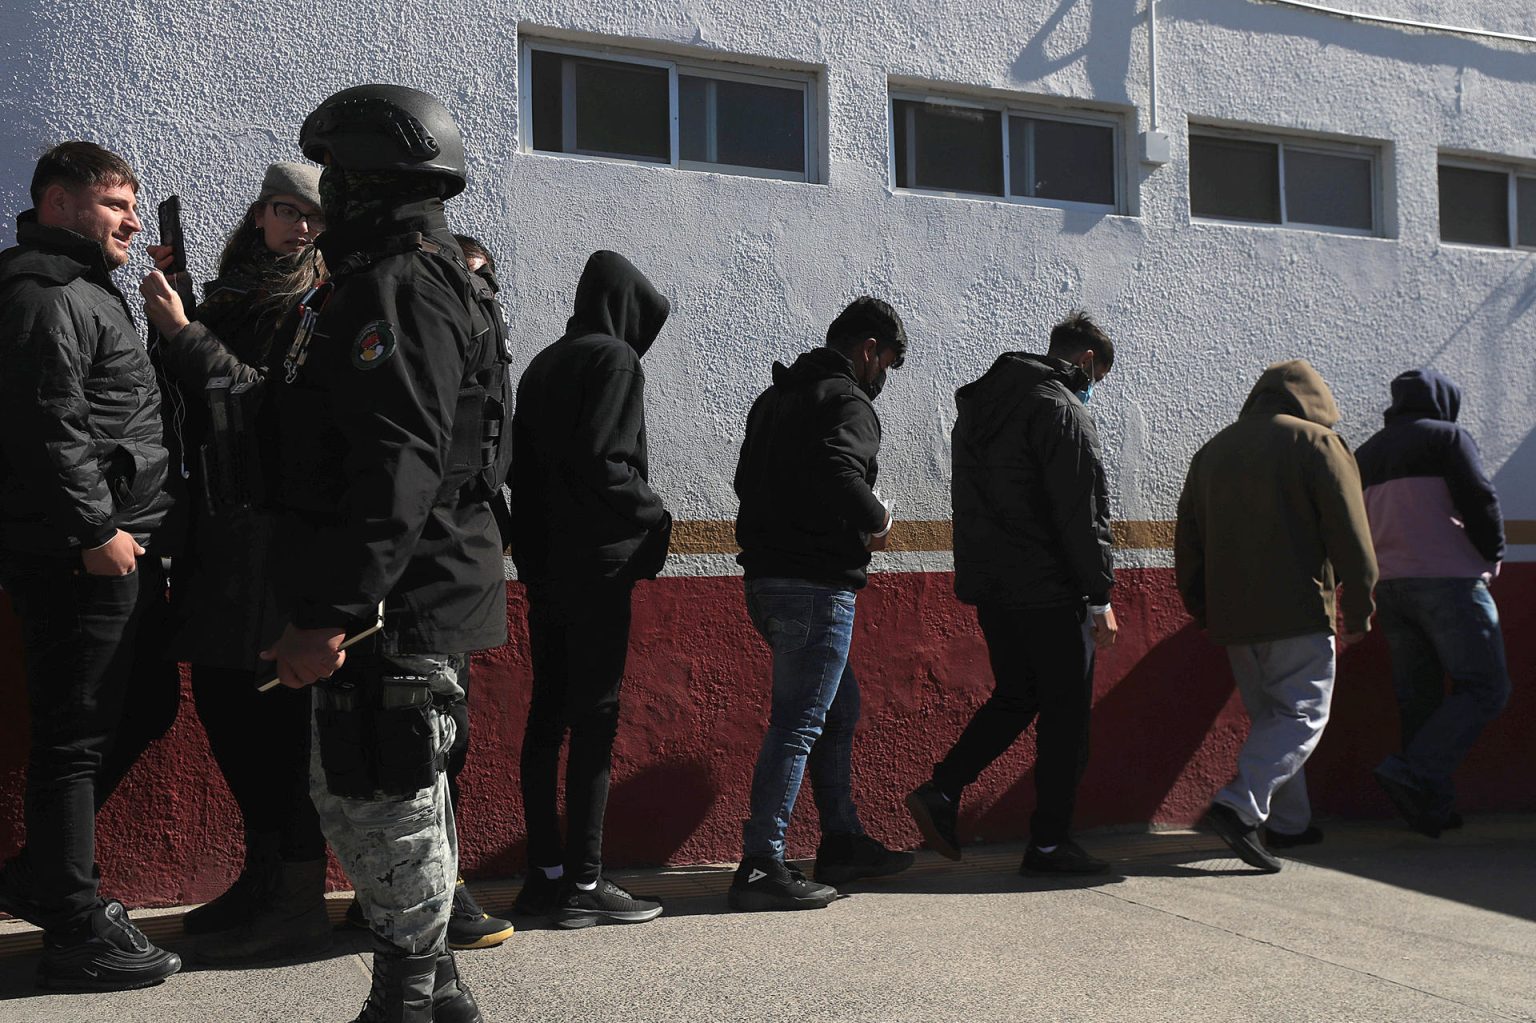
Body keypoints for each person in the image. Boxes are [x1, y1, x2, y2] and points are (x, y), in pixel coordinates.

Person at [262, 84, 508, 1022]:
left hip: (392, 599)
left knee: (378, 793)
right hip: (416, 585)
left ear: (368, 177)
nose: (325, 194)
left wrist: (331, 611)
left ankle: (404, 998)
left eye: (334, 174)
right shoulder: (421, 272)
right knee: (401, 790)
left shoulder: (398, 285)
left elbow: (395, 468)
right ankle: (435, 987)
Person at [140, 161, 334, 963]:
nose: (296, 227)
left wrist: (187, 337)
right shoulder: (227, 297)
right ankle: (263, 872)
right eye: (284, 211)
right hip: (216, 536)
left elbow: (266, 403)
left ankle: (295, 891)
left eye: (311, 217)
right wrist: (176, 322)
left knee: (271, 718)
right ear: (258, 216)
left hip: (275, 541)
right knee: (223, 706)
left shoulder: (317, 308)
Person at [0, 141, 182, 990]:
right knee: (73, 741)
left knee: (143, 704)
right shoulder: (40, 293)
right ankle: (72, 928)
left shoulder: (87, 289)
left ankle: (46, 876)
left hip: (121, 549)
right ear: (60, 202)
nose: (132, 219)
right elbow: (48, 423)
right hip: (79, 556)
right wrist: (93, 531)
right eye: (116, 203)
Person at [906, 311, 1119, 875]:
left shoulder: (980, 409)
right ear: (1088, 362)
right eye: (1100, 377)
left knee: (1018, 695)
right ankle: (1050, 844)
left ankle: (943, 789)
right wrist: (1100, 596)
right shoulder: (1061, 407)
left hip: (994, 586)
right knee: (1065, 718)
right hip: (1051, 589)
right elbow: (1082, 511)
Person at [728, 296, 915, 913]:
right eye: (888, 360)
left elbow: (744, 481)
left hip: (766, 582)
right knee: (799, 723)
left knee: (839, 706)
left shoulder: (775, 398)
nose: (885, 374)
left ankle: (841, 840)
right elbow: (840, 467)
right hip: (815, 585)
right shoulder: (847, 400)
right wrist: (876, 519)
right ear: (868, 350)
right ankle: (761, 862)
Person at [506, 250, 672, 929]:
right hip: (598, 567)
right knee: (595, 722)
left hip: (544, 567)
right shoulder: (615, 361)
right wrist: (654, 514)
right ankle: (586, 878)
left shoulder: (545, 362)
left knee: (547, 717)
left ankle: (545, 876)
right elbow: (608, 460)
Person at [1174, 359, 1378, 872]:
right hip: (1299, 609)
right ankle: (1239, 806)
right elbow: (1352, 537)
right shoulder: (1318, 444)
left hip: (1234, 617)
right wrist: (1359, 608)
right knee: (1303, 715)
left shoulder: (1212, 451)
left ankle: (1290, 822)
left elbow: (1189, 544)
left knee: (1274, 717)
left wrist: (1202, 607)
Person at [1354, 369, 1508, 837]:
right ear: (1443, 400)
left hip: (1392, 587)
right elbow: (1480, 499)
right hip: (1449, 581)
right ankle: (1414, 772)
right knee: (1485, 687)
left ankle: (1428, 810)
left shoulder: (1367, 452)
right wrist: (1493, 552)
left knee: (1418, 697)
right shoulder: (1449, 438)